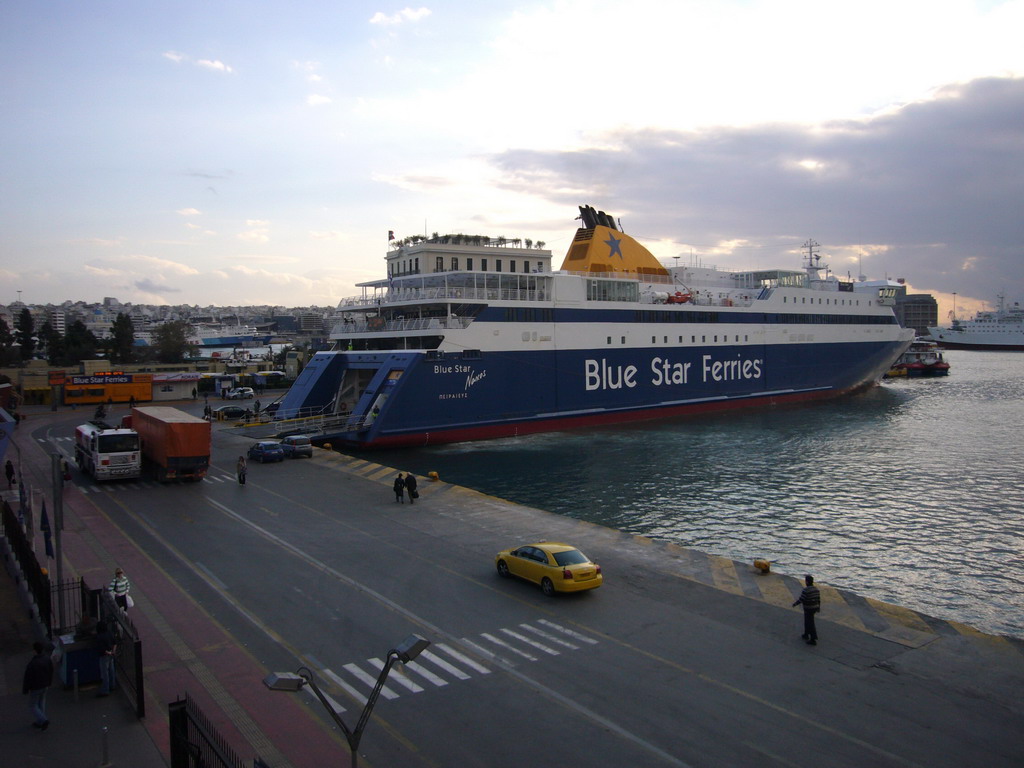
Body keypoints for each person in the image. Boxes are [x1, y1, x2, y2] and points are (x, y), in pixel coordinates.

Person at [22, 641, 53, 730]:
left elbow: (27, 678)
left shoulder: (33, 663)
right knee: (41, 702)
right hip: (45, 685)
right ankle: (40, 721)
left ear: (34, 650)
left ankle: (43, 720)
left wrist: (25, 689)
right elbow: (51, 671)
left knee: (32, 705)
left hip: (36, 687)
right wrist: (49, 682)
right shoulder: (47, 659)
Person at [793, 574, 821, 645]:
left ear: (807, 582)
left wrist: (795, 604)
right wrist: (818, 608)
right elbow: (818, 599)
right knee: (808, 621)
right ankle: (806, 634)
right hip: (815, 607)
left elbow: (801, 599)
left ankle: (813, 638)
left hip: (808, 608)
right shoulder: (816, 589)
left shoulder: (806, 590)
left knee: (809, 622)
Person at [95, 621, 117, 697]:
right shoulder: (109, 633)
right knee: (111, 670)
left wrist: (108, 653)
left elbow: (102, 649)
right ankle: (112, 685)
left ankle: (105, 690)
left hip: (104, 656)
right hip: (111, 654)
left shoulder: (99, 637)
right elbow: (114, 643)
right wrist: (113, 652)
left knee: (105, 673)